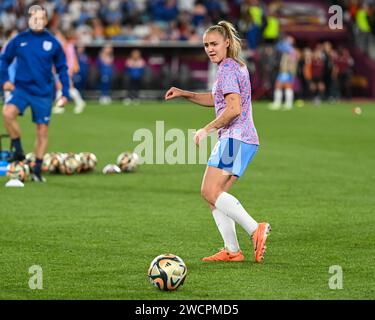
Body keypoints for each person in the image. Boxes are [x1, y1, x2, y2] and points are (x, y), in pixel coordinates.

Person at [165, 20, 271, 263]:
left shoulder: (227, 69)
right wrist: (185, 93)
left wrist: (206, 129)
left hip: (236, 137)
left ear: (226, 43)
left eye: (214, 43)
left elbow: (233, 109)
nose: (210, 48)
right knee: (215, 195)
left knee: (209, 191)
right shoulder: (232, 66)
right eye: (205, 45)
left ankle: (255, 229)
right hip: (243, 139)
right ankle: (232, 251)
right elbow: (218, 99)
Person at [0, 5, 70, 182]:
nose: (37, 21)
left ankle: (37, 171)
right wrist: (4, 80)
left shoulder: (53, 43)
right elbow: (4, 59)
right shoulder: (19, 40)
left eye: (41, 18)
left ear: (46, 21)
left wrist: (65, 92)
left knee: (42, 132)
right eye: (34, 18)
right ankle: (18, 151)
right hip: (21, 89)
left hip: (43, 93)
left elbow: (62, 68)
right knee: (7, 113)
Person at [52, 30, 86, 114]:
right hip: (63, 69)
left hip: (65, 69)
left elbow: (68, 58)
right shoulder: (68, 46)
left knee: (62, 87)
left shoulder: (67, 46)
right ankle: (78, 102)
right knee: (66, 87)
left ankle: (61, 106)